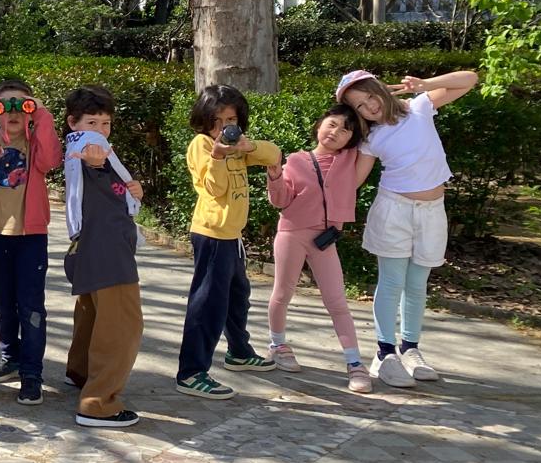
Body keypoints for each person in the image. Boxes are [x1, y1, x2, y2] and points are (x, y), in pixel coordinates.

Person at [340, 67, 478, 387]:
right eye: (359, 106)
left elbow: (469, 79)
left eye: (369, 96)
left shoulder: (419, 106)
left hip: (432, 212)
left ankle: (410, 349)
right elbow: (354, 181)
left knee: (417, 283)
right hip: (394, 211)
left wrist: (425, 84)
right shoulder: (370, 138)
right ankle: (385, 354)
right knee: (391, 282)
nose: (369, 106)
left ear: (381, 89)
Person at [174, 84, 282, 399]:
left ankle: (239, 352)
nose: (224, 128)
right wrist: (219, 156)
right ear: (204, 120)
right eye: (217, 121)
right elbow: (215, 188)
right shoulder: (202, 145)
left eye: (230, 120)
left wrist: (247, 146)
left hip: (232, 236)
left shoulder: (238, 146)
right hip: (212, 235)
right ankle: (191, 372)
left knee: (237, 297)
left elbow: (274, 155)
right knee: (208, 304)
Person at [0, 78, 61, 404]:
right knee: (3, 304)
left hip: (31, 237)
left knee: (31, 307)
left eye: (22, 105)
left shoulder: (36, 143)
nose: (14, 112)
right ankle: (11, 357)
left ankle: (32, 374)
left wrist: (42, 114)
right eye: (5, 106)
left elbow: (51, 161)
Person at [265, 103, 373, 393]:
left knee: (337, 300)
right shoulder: (295, 160)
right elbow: (280, 201)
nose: (336, 132)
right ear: (320, 124)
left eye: (345, 130)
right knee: (283, 292)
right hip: (291, 233)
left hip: (325, 239)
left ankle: (355, 364)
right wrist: (275, 176)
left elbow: (375, 133)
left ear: (352, 139)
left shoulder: (352, 159)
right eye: (332, 124)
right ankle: (277, 345)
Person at [61, 86, 146, 428]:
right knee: (122, 325)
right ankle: (99, 403)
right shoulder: (86, 150)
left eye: (106, 123)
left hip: (96, 248)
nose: (99, 130)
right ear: (73, 124)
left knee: (92, 313)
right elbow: (90, 158)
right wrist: (95, 161)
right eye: (91, 122)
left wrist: (133, 190)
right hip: (108, 251)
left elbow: (109, 190)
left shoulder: (94, 154)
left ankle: (81, 372)